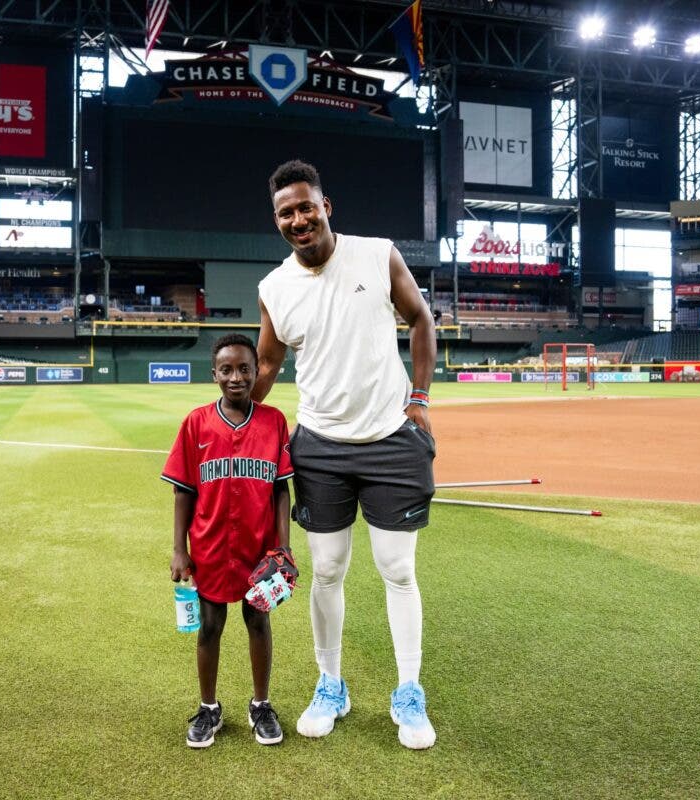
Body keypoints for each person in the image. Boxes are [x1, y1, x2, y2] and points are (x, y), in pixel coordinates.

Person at [254, 159, 438, 750]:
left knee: (398, 570)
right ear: (277, 220)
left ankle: (408, 691)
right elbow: (266, 366)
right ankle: (330, 683)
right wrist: (235, 423)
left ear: (325, 207)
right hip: (321, 448)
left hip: (390, 439)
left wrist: (421, 397)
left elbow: (420, 319)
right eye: (286, 212)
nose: (298, 219)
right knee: (327, 571)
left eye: (306, 206)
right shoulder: (275, 288)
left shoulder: (377, 253)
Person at [162, 333, 297, 749]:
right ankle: (208, 708)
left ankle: (261, 704)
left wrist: (284, 547)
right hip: (210, 545)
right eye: (226, 369)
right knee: (210, 627)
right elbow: (184, 490)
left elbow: (280, 490)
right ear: (214, 374)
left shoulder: (274, 421)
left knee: (258, 621)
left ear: (258, 372)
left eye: (244, 369)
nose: (235, 377)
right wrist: (179, 548)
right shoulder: (196, 423)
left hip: (259, 547)